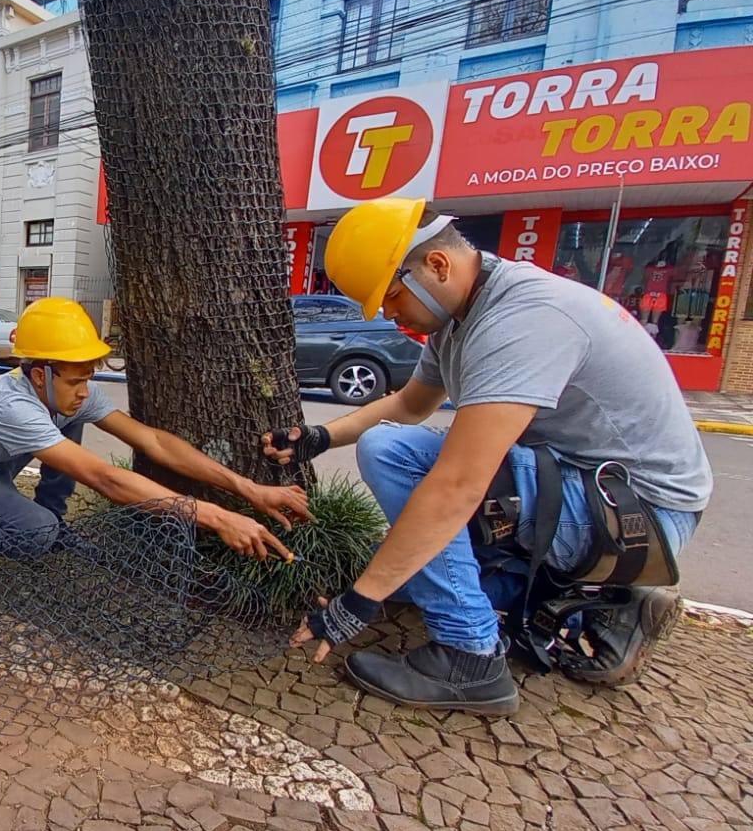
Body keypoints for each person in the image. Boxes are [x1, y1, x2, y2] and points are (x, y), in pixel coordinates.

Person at [261, 197, 710, 715]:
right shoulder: (461, 316)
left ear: (436, 265)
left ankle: (469, 655)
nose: (388, 313)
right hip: (592, 493)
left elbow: (459, 486)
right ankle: (601, 607)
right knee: (410, 555)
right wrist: (319, 437)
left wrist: (357, 603)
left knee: (396, 456)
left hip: (639, 513)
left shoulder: (521, 319)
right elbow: (410, 402)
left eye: (390, 295)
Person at [0, 297, 314, 593]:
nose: (85, 391)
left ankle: (49, 520)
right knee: (35, 534)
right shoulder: (13, 407)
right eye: (75, 380)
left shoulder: (64, 392)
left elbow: (153, 441)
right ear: (38, 375)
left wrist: (247, 488)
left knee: (68, 419)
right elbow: (105, 478)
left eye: (88, 377)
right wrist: (218, 518)